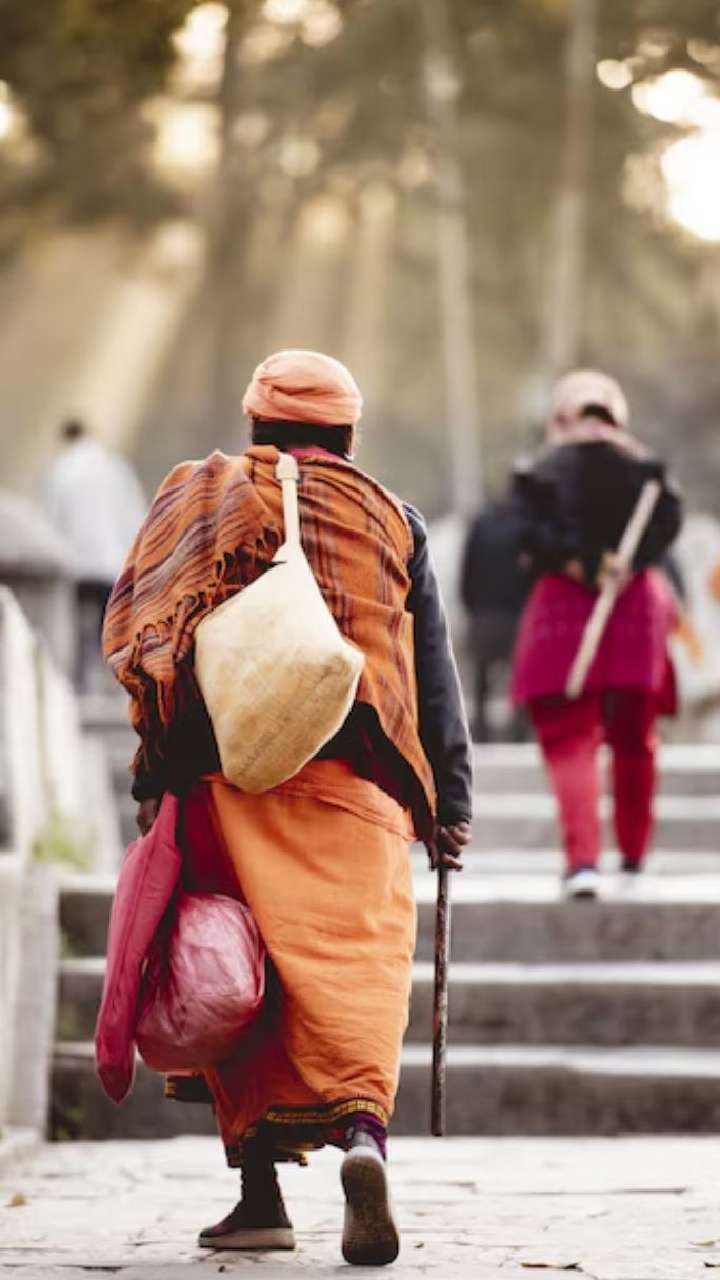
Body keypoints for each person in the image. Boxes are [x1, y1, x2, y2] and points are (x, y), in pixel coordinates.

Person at [102, 350, 473, 1266]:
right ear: (349, 434)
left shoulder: (205, 496)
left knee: (238, 970)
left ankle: (259, 1195)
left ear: (256, 424)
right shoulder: (394, 518)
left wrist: (153, 777)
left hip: (233, 777)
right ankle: (363, 1137)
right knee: (356, 966)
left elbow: (154, 639)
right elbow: (431, 668)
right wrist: (452, 799)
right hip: (364, 775)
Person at [510, 370, 682, 899]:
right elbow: (668, 523)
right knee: (634, 739)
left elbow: (527, 537)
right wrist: (626, 563)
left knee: (570, 737)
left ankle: (582, 861)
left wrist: (578, 563)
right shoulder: (646, 468)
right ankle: (634, 856)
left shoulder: (538, 471)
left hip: (564, 610)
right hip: (634, 606)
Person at [43, 419, 147, 690]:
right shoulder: (115, 468)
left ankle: (82, 686)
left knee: (80, 631)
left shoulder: (61, 469)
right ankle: (114, 684)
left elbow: (51, 519)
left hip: (76, 562)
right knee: (112, 628)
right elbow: (134, 515)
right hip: (111, 563)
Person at [460, 496, 530, 742]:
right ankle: (518, 730)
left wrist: (471, 606)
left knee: (482, 676)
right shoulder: (523, 528)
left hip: (484, 613)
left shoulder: (479, 526)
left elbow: (467, 571)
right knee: (518, 675)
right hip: (515, 614)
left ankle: (480, 730)